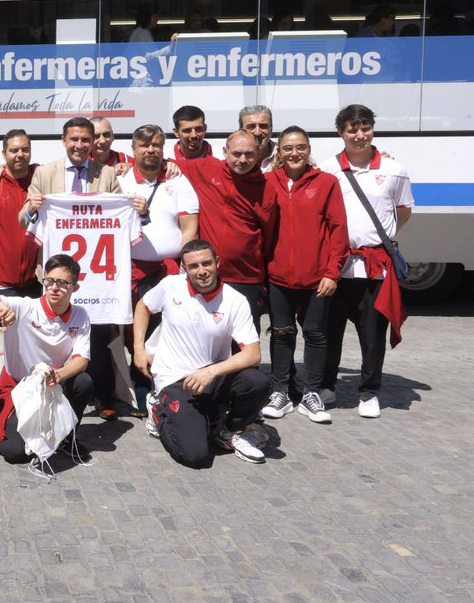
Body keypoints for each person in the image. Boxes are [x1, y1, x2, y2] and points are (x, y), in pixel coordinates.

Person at [133, 239, 271, 467]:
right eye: (193, 266)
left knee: (257, 381)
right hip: (175, 380)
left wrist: (211, 371)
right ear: (185, 269)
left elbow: (253, 354)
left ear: (217, 262)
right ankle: (158, 410)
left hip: (213, 377)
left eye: (206, 263)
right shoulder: (171, 286)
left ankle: (228, 431)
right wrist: (139, 348)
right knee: (195, 456)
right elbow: (143, 307)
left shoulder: (235, 300)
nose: (202, 271)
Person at [319, 105, 412, 418]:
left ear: (372, 128)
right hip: (336, 266)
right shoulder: (326, 169)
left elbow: (403, 210)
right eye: (352, 129)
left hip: (375, 267)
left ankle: (369, 391)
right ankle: (326, 386)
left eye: (365, 128)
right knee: (329, 332)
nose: (359, 135)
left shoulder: (394, 168)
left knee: (372, 333)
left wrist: (378, 238)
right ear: (340, 133)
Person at [21, 117, 121, 408]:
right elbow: (22, 220)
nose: (79, 145)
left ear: (93, 143)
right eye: (74, 139)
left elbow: (119, 216)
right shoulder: (44, 173)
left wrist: (138, 209)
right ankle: (50, 388)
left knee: (98, 336)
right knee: (55, 334)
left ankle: (100, 396)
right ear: (64, 141)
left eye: (85, 140)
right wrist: (30, 209)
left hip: (99, 275)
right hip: (57, 276)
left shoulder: (108, 174)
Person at [262, 126, 348, 424]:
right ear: (279, 152)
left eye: (300, 147)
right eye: (288, 148)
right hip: (278, 277)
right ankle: (280, 391)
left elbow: (339, 231)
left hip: (317, 278)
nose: (294, 153)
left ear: (308, 149)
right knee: (282, 334)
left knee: (315, 334)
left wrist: (332, 272)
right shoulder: (267, 181)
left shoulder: (326, 182)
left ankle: (311, 393)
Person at [0, 254, 94, 464]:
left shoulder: (80, 315)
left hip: (52, 385)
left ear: (74, 288)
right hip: (19, 387)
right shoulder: (26, 306)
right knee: (14, 454)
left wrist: (60, 374)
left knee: (83, 381)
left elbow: (82, 359)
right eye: (49, 281)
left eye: (62, 283)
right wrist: (2, 308)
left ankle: (69, 437)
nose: (54, 288)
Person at [116, 124, 199, 409]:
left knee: (164, 333)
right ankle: (136, 384)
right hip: (128, 271)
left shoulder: (179, 181)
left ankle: (159, 387)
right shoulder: (121, 180)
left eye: (156, 145)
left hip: (167, 271)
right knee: (130, 332)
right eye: (144, 145)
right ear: (133, 150)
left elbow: (189, 229)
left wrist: (184, 269)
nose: (150, 149)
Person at [174, 129, 279, 335]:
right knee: (206, 337)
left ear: (258, 154)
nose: (242, 159)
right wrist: (125, 166)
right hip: (208, 275)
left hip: (246, 278)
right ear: (225, 151)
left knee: (244, 340)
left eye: (249, 154)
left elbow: (269, 235)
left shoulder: (267, 189)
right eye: (236, 154)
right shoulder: (205, 168)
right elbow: (162, 164)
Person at [0, 129, 41, 299]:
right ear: (3, 154)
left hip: (38, 283)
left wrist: (120, 162)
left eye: (25, 150)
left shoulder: (41, 180)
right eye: (14, 150)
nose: (20, 154)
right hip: (2, 285)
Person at [238, 104, 276, 170]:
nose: (257, 133)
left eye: (263, 126)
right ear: (240, 131)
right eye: (251, 127)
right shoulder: (231, 158)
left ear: (271, 129)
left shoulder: (283, 156)